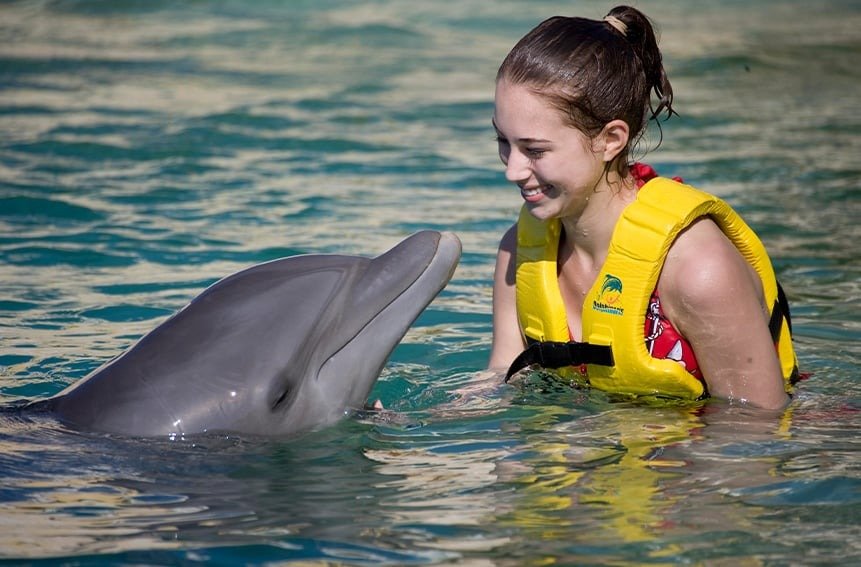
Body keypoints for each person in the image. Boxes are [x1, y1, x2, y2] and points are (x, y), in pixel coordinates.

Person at [487, 5, 799, 409]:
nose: (512, 170)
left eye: (534, 150)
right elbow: (501, 379)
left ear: (611, 140)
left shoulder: (696, 269)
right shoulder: (519, 252)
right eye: (503, 143)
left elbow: (754, 432)